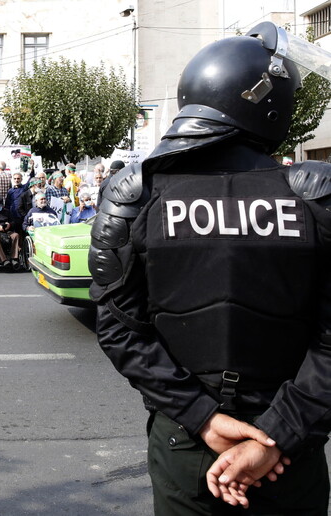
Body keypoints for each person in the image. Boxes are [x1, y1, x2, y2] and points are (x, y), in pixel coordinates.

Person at [89, 22, 331, 514]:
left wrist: (203, 418)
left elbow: (118, 329)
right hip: (290, 449)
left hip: (188, 441)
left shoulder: (137, 193)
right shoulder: (315, 197)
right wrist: (276, 437)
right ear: (266, 102)